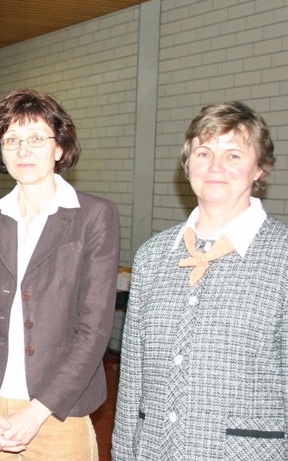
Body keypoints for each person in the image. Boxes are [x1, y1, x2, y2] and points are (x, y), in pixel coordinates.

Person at [0, 89, 120, 460]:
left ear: (59, 148)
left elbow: (93, 329)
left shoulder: (94, 217)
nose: (23, 150)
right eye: (11, 140)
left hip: (57, 412)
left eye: (36, 138)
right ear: (0, 151)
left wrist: (38, 411)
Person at [112, 101, 287, 460]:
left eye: (234, 155)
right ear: (187, 163)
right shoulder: (152, 257)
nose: (215, 166)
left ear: (259, 167)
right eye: (204, 153)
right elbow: (131, 380)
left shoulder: (282, 257)